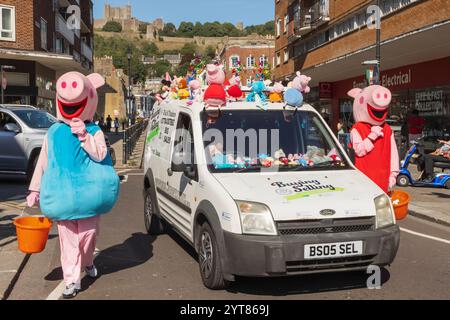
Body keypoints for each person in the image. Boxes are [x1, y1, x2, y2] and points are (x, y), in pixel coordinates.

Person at [26, 72, 120, 299]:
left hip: (89, 196)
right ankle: (71, 280)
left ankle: (87, 262)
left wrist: (84, 136)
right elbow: (44, 160)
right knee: (68, 242)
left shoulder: (95, 131)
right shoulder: (54, 131)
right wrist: (35, 188)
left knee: (88, 237)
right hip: (62, 196)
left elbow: (100, 155)